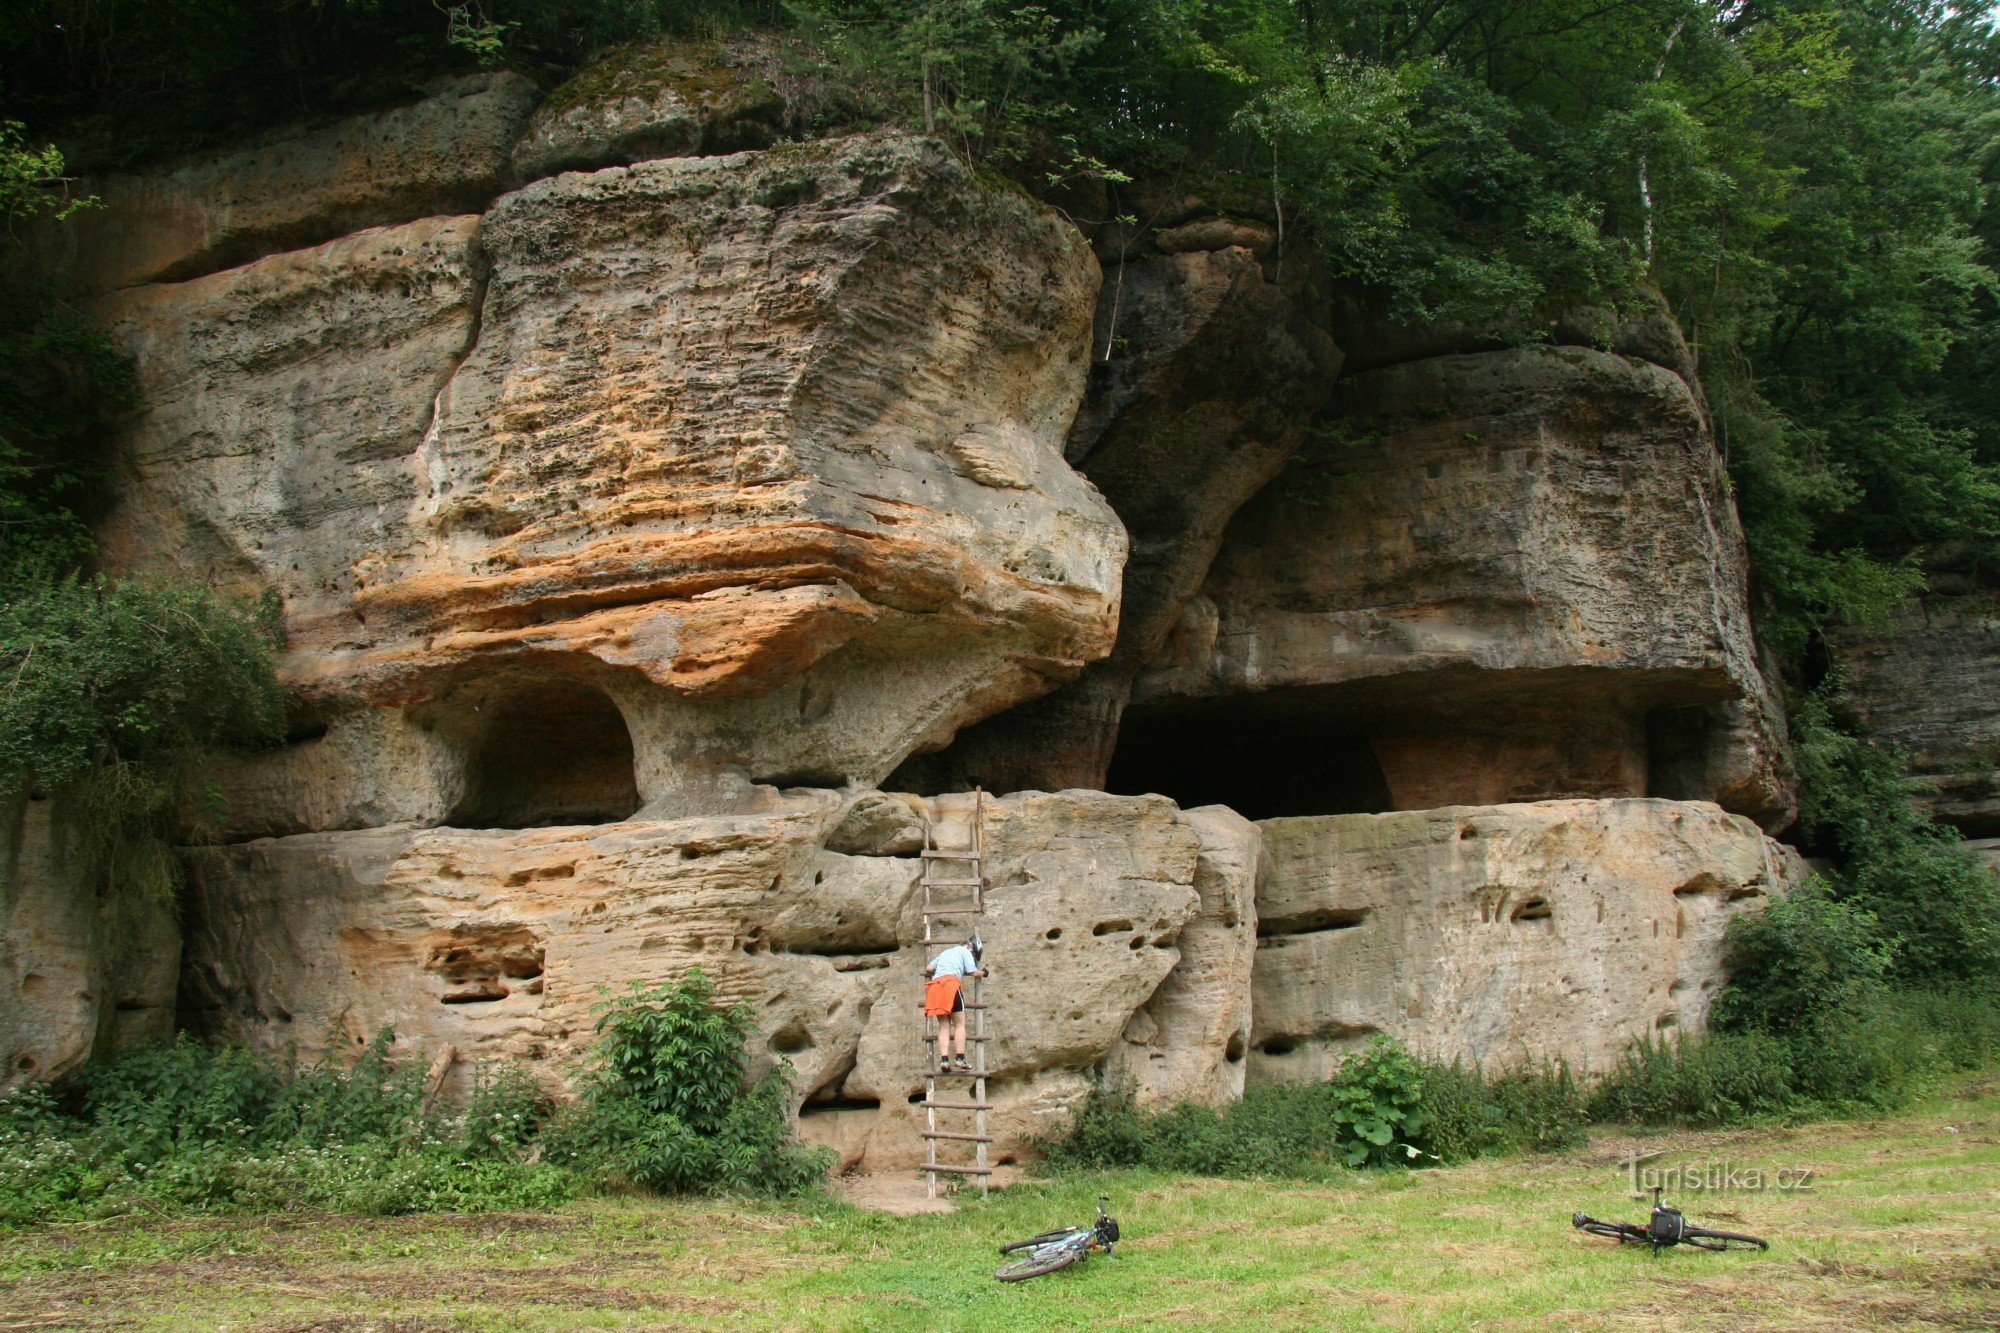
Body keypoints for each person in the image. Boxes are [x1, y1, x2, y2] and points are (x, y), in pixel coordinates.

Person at [922, 933, 985, 1074]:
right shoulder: (965, 952)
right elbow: (974, 972)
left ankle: (944, 1060)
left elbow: (929, 968)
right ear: (970, 946)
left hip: (935, 987)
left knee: (944, 1027)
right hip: (951, 986)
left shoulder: (946, 952)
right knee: (959, 1024)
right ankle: (960, 1058)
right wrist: (984, 972)